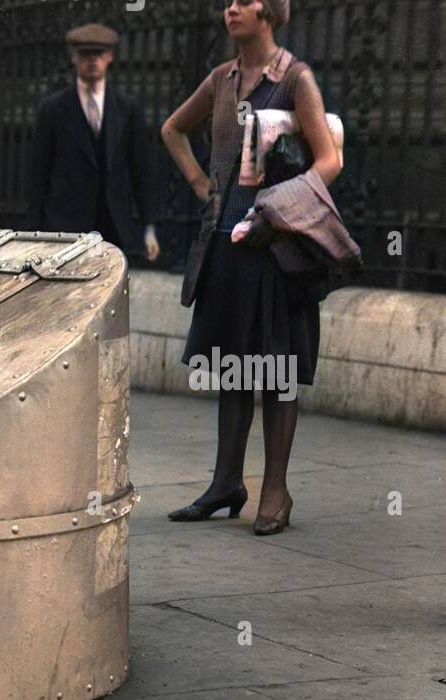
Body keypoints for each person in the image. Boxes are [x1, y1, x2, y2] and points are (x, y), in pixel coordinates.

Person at [161, 0, 342, 535]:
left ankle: (276, 492)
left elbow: (328, 159)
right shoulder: (221, 79)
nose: (230, 9)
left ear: (271, 11)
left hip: (276, 249)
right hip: (226, 243)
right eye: (228, 3)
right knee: (234, 367)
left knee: (276, 371)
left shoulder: (294, 79)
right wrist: (202, 186)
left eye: (243, 1)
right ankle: (225, 483)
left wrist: (281, 209)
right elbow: (173, 129)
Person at [28, 23, 160, 263]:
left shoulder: (126, 108)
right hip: (64, 224)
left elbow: (141, 171)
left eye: (98, 54)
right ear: (74, 58)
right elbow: (39, 174)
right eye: (85, 55)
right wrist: (35, 232)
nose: (92, 61)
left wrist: (148, 225)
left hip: (113, 226)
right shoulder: (53, 109)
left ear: (109, 57)